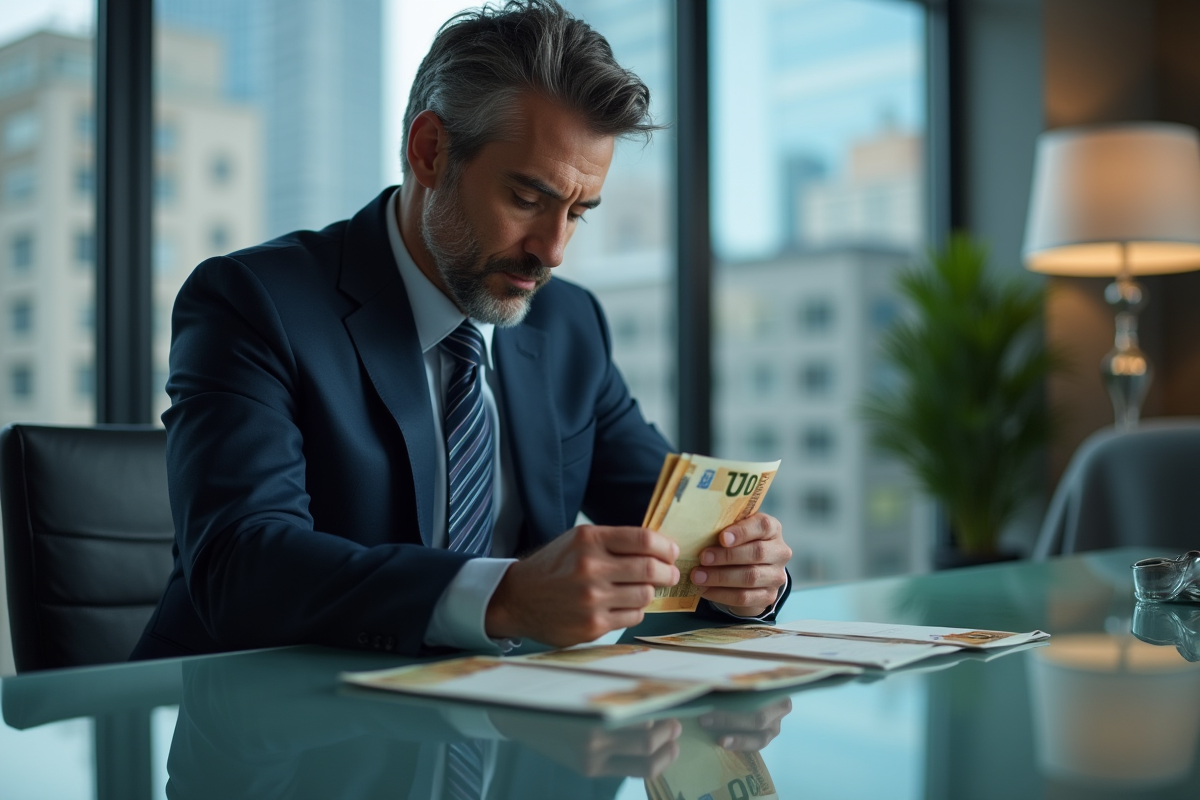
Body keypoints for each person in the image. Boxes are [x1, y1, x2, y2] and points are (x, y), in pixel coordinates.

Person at [131, 0, 791, 662]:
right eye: (527, 199)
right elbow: (240, 566)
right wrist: (501, 597)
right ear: (430, 152)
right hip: (271, 713)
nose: (553, 250)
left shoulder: (569, 325)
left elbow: (678, 535)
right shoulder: (254, 302)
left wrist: (746, 577)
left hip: (506, 712)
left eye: (577, 213)